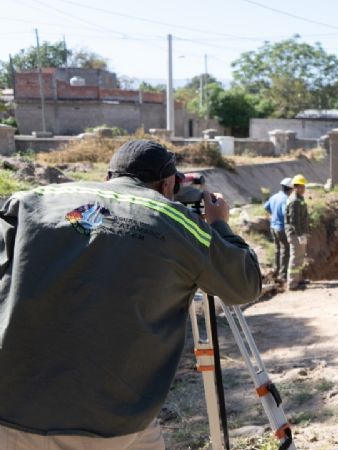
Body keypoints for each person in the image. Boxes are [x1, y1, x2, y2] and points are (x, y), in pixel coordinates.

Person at [0, 140, 261, 449]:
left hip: (10, 408)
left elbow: (91, 228)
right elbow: (245, 284)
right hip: (110, 423)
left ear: (110, 176)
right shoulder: (176, 221)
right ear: (167, 183)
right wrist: (218, 225)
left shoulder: (30, 200)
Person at [265, 178, 293, 283]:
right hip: (281, 228)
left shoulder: (274, 196)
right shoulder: (286, 199)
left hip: (273, 226)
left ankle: (276, 270)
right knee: (285, 251)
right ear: (291, 189)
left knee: (278, 249)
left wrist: (273, 214)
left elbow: (266, 207)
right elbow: (285, 213)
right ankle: (283, 275)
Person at [285, 174, 309, 291]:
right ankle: (293, 283)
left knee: (300, 257)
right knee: (295, 258)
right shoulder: (294, 200)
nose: (304, 188)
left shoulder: (300, 198)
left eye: (304, 186)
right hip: (295, 234)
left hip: (300, 233)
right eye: (301, 186)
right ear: (296, 187)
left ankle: (298, 279)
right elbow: (294, 221)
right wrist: (300, 235)